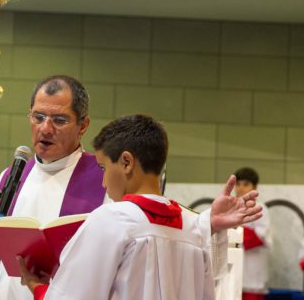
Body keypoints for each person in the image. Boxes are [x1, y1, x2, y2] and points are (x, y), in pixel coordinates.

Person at [0, 75, 262, 300]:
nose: (44, 128)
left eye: (58, 120)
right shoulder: (15, 174)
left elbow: (151, 236)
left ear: (83, 125)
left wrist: (209, 222)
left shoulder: (104, 174)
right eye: (38, 117)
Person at [18, 115, 263, 300]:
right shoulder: (192, 227)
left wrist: (37, 287)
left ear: (126, 162)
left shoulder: (111, 221)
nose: (103, 182)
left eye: (103, 168)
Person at [234, 167, 272, 300]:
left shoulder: (260, 209)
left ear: (255, 187)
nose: (240, 188)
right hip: (233, 271)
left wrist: (236, 228)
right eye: (238, 184)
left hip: (252, 272)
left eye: (245, 184)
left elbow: (259, 236)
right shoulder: (229, 207)